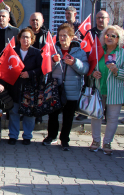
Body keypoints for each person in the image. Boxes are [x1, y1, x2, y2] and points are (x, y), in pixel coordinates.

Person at [43, 23, 89, 151]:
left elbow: (85, 69)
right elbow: (46, 68)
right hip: (55, 88)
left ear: (72, 37)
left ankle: (65, 139)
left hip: (72, 88)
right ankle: (51, 136)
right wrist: (53, 61)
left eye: (65, 35)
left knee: (68, 116)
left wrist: (75, 62)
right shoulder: (53, 50)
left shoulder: (79, 52)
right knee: (53, 115)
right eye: (60, 35)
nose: (62, 38)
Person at [89, 25, 124, 155]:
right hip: (99, 88)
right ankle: (95, 141)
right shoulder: (98, 51)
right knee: (96, 116)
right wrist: (93, 74)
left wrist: (117, 71)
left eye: (114, 36)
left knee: (112, 118)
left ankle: (107, 142)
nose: (110, 37)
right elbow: (91, 68)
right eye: (107, 35)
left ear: (119, 39)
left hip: (116, 91)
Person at [7, 29, 42, 145]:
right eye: (23, 37)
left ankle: (27, 136)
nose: (25, 39)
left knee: (29, 114)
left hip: (30, 87)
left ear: (32, 39)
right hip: (15, 86)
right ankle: (13, 135)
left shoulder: (36, 53)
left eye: (28, 37)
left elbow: (41, 69)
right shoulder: (13, 51)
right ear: (19, 38)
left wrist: (30, 73)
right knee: (14, 112)